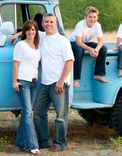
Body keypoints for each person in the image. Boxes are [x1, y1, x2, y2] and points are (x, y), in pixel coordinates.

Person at [11, 13, 75, 152]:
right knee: (38, 113)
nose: (49, 24)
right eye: (46, 22)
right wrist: (17, 34)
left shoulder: (62, 40)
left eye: (51, 22)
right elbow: (30, 29)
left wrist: (61, 81)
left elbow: (69, 61)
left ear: (56, 23)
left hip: (59, 83)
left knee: (61, 115)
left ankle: (59, 143)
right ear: (43, 24)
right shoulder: (42, 36)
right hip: (44, 83)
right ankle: (44, 141)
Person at [12, 20, 40, 155]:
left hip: (34, 82)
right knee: (28, 113)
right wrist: (15, 81)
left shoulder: (37, 45)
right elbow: (16, 64)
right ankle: (32, 145)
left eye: (33, 29)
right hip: (22, 82)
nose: (31, 32)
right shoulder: (20, 45)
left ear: (36, 31)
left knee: (27, 113)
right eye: (28, 30)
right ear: (24, 32)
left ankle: (20, 142)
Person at [70, 6, 108, 88]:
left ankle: (98, 74)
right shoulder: (80, 25)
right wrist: (91, 50)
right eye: (90, 17)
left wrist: (96, 50)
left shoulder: (97, 25)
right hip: (74, 42)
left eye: (94, 17)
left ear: (97, 18)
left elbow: (101, 41)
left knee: (103, 48)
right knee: (79, 51)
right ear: (85, 17)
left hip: (86, 42)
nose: (92, 19)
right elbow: (78, 42)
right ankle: (75, 79)